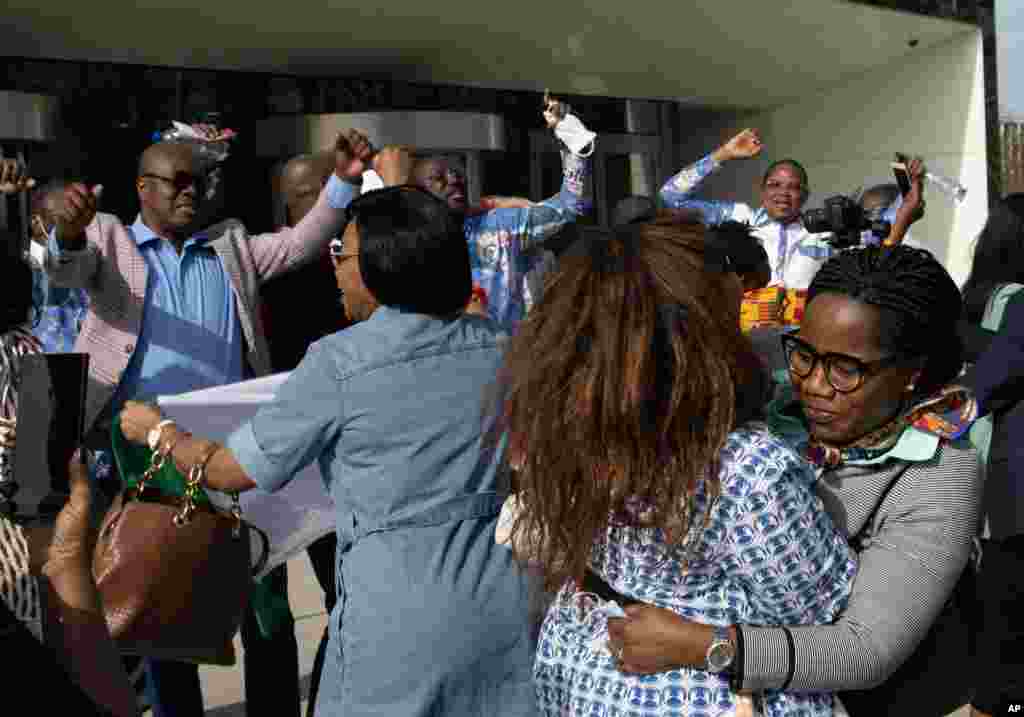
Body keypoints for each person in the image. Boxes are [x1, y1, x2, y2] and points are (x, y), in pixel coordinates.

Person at [118, 185, 539, 716]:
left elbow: (229, 471)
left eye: (341, 253)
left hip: (395, 616)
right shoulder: (502, 347)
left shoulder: (339, 362)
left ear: (384, 266)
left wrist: (159, 432)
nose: (334, 268)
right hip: (502, 603)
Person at [40, 127, 373, 717]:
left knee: (263, 603)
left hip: (229, 449)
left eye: (199, 182)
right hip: (143, 454)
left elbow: (301, 243)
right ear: (144, 189)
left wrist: (344, 184)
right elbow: (67, 269)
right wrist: (68, 231)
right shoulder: (112, 241)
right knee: (164, 605)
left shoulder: (230, 247)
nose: (192, 193)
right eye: (179, 182)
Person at [501, 216, 856, 716]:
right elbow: (818, 614)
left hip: (589, 678)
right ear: (701, 330)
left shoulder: (566, 434)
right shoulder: (743, 471)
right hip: (701, 695)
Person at [605, 245, 981, 716]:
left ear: (912, 372)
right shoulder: (780, 410)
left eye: (846, 369)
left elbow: (863, 650)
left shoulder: (939, 471)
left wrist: (701, 645)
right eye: (804, 354)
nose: (815, 385)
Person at [247, 150, 344, 717]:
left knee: (346, 595)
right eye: (315, 192)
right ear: (289, 203)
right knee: (268, 608)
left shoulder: (357, 260)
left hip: (339, 459)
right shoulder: (264, 267)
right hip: (278, 453)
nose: (330, 201)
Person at [659, 130, 924, 330]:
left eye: (793, 187)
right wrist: (723, 154)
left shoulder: (826, 232)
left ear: (805, 195)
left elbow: (887, 237)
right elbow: (671, 198)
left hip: (804, 344)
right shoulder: (738, 218)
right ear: (762, 191)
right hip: (745, 342)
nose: (783, 193)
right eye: (774, 185)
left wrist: (908, 195)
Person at [406, 94, 593, 333]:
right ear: (416, 194)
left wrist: (571, 136)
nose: (453, 179)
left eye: (457, 174)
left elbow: (570, 205)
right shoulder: (409, 243)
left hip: (511, 360)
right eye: (439, 178)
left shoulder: (500, 225)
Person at [960, 194, 1024, 717]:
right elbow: (995, 379)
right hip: (1011, 485)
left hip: (999, 483)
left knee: (1000, 608)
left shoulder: (981, 298)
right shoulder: (1012, 301)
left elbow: (986, 384)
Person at [26, 179, 91, 354]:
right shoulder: (23, 271)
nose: (70, 224)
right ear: (35, 223)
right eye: (60, 218)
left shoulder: (89, 263)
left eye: (75, 216)